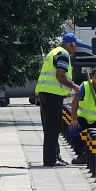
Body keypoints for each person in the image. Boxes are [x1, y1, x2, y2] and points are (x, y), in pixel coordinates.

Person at [35, 33, 80, 167]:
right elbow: (60, 76)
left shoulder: (54, 51)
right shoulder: (64, 54)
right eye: (75, 45)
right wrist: (73, 86)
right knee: (53, 127)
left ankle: (55, 156)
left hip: (45, 92)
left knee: (51, 126)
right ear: (71, 45)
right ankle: (50, 159)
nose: (76, 48)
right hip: (53, 94)